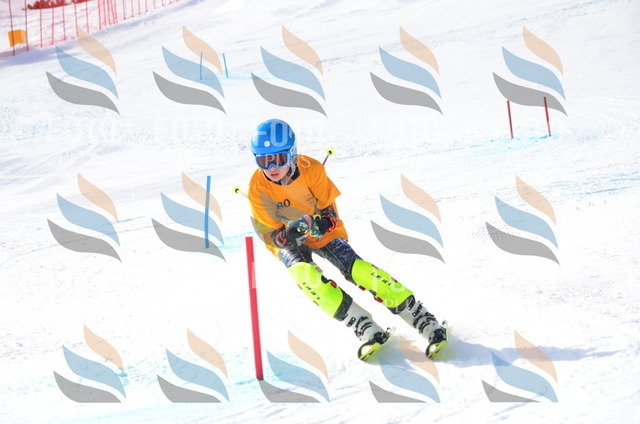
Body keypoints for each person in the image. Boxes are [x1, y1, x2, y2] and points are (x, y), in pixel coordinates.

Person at [247, 119, 446, 360]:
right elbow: (272, 237)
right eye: (263, 160)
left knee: (356, 269)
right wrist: (289, 234)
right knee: (305, 277)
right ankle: (363, 325)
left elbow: (329, 213)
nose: (271, 167)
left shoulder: (312, 169)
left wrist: (321, 224)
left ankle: (421, 317)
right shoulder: (257, 187)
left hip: (320, 229)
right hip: (290, 239)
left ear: (292, 153)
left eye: (278, 159)